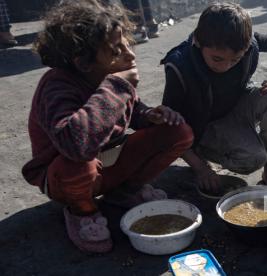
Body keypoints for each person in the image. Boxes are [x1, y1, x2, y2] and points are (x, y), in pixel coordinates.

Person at [22, 0, 193, 253]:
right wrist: (118, 86)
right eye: (115, 50)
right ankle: (82, 211)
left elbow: (131, 111)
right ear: (83, 63)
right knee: (80, 163)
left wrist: (149, 115)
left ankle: (124, 192)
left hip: (106, 164)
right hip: (67, 175)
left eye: (126, 42)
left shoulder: (104, 77)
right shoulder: (57, 86)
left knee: (178, 132)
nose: (130, 54)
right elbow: (76, 146)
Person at [161, 3, 267, 191]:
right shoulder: (180, 66)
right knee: (253, 158)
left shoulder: (250, 44)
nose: (225, 66)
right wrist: (201, 168)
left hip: (237, 107)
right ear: (198, 42)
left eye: (235, 59)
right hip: (204, 128)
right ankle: (204, 154)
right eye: (217, 59)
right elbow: (168, 127)